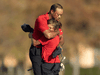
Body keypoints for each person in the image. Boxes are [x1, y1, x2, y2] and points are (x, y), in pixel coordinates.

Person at [29, 3, 64, 75]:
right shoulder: (41, 19)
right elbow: (48, 35)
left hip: (48, 53)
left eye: (61, 15)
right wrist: (57, 32)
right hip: (37, 50)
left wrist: (59, 46)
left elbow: (61, 38)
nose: (59, 17)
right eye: (58, 14)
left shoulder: (55, 22)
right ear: (52, 11)